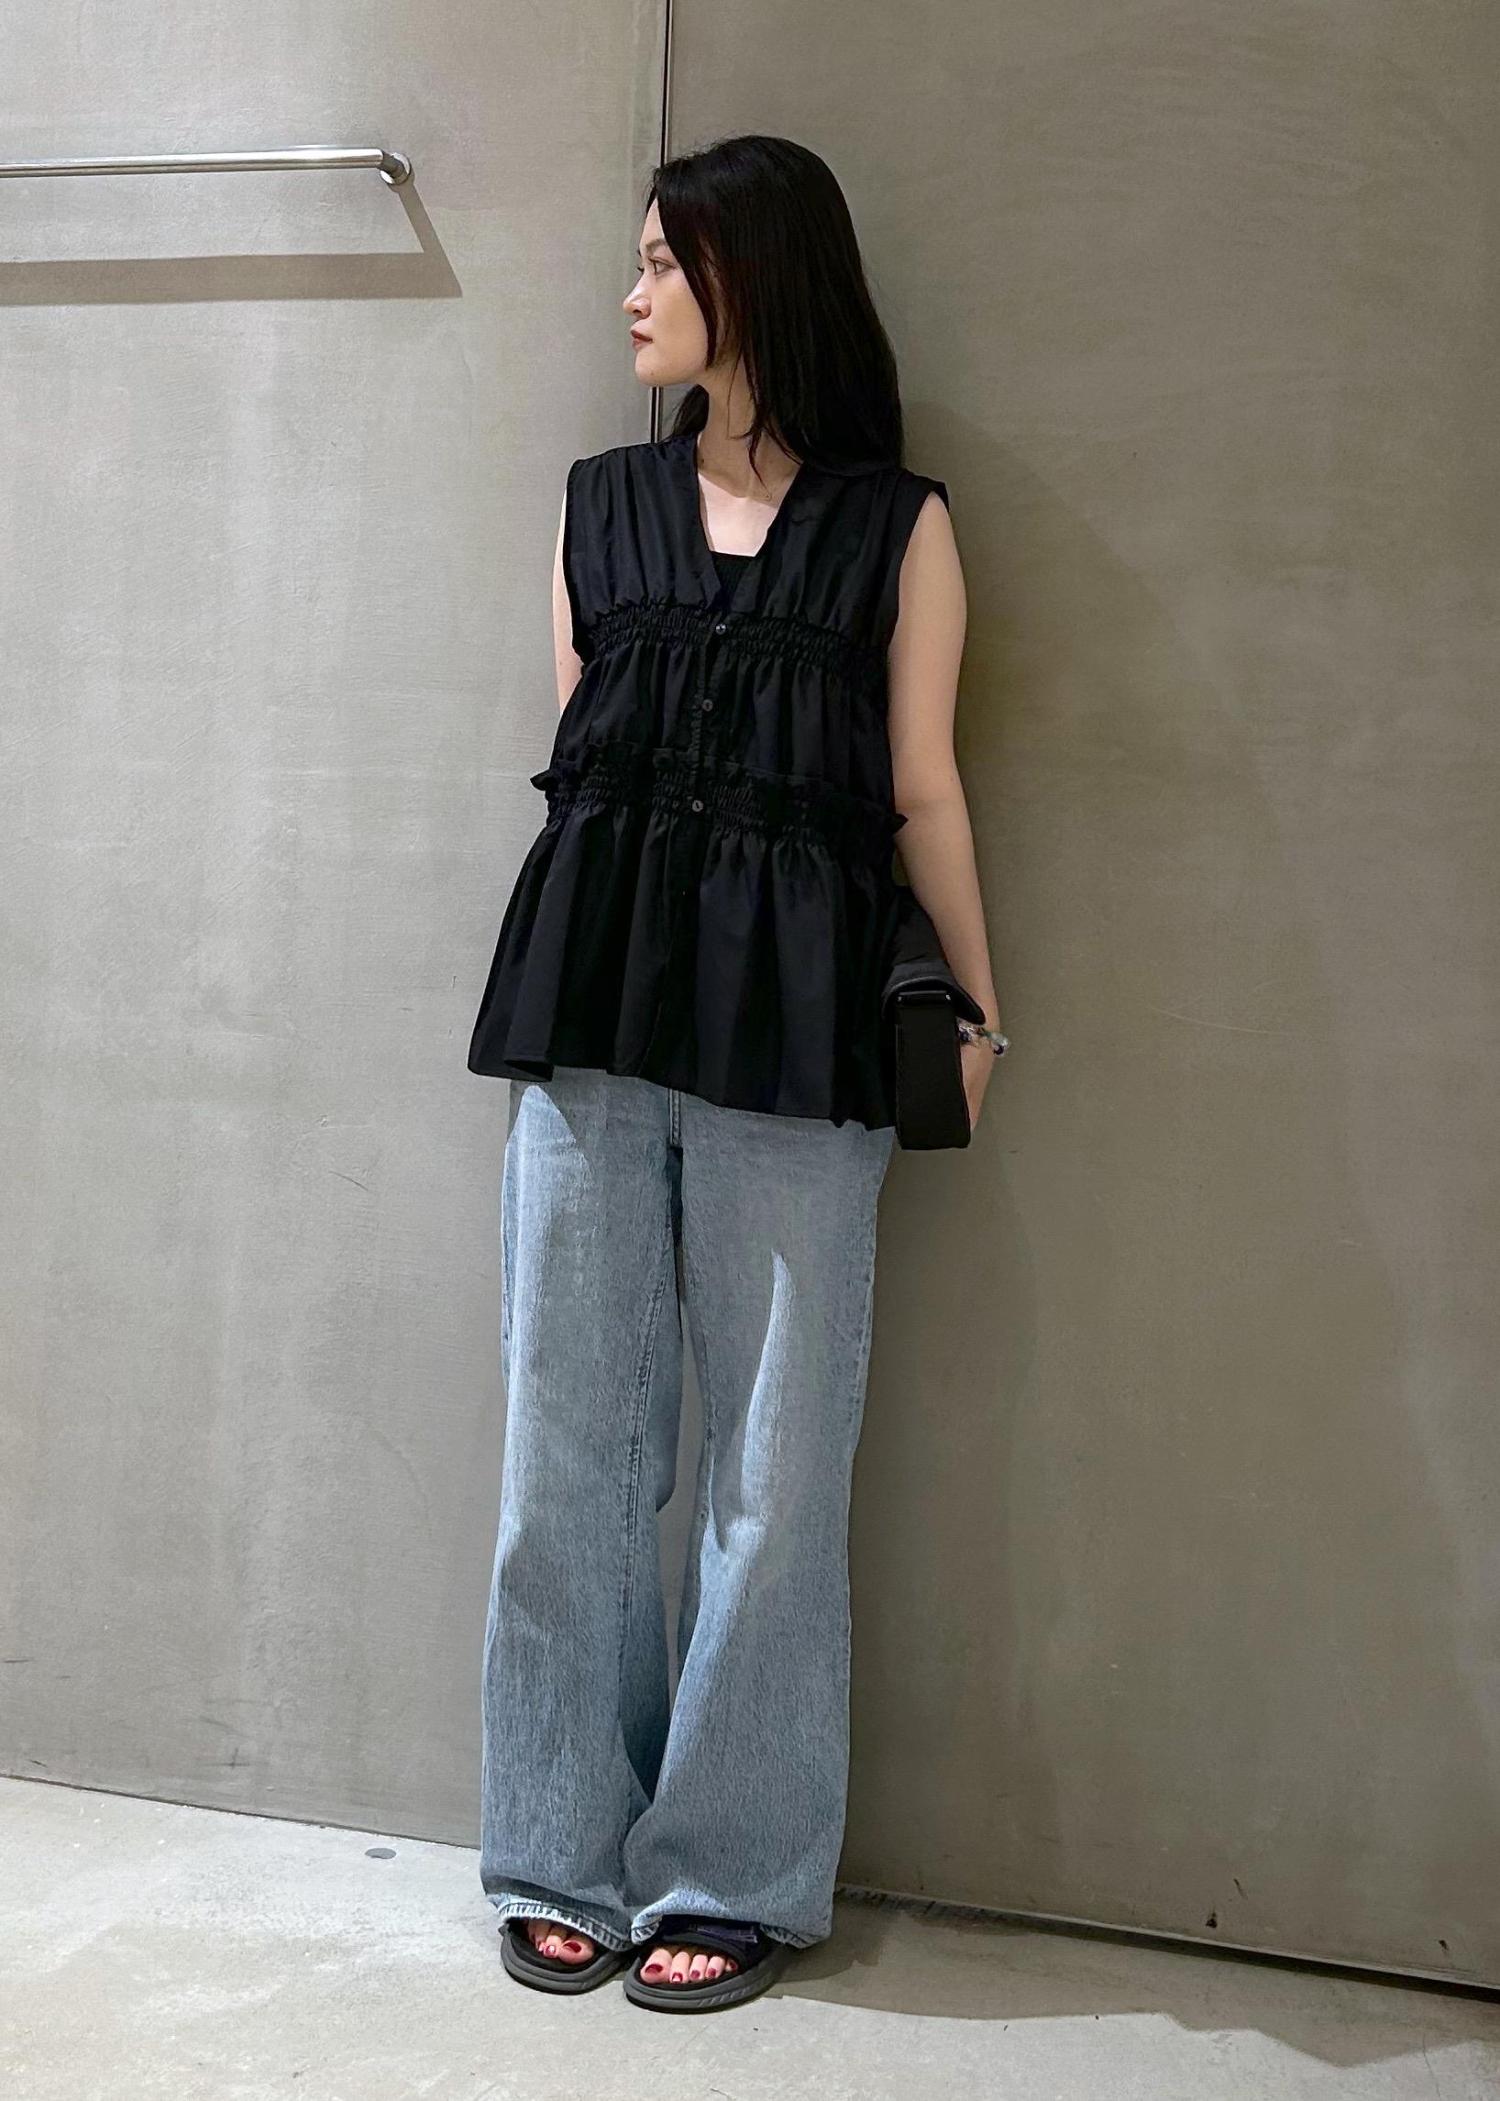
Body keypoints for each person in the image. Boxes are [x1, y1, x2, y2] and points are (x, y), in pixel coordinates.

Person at [466, 133, 1001, 2014]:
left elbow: (923, 788)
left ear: (750, 277)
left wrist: (981, 1013)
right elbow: (586, 773)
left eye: (659, 261)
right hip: (594, 1017)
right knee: (568, 1454)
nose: (629, 294)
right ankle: (556, 1844)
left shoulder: (897, 529)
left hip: (804, 1031)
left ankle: (730, 1866)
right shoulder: (597, 506)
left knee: (776, 1477)